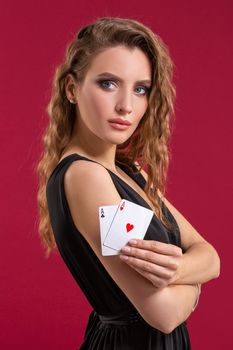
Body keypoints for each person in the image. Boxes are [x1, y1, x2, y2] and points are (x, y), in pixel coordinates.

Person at [36, 16, 220, 349]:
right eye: (108, 83)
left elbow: (212, 257)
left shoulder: (129, 170)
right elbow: (162, 313)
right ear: (71, 89)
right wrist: (194, 280)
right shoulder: (87, 177)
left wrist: (174, 272)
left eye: (140, 89)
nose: (126, 106)